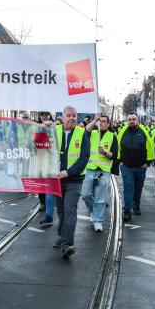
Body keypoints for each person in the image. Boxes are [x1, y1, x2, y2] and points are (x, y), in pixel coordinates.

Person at [54, 105, 90, 258]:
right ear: (62, 117)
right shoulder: (54, 131)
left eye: (74, 115)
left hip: (74, 180)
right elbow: (39, 145)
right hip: (56, 180)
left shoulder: (82, 133)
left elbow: (84, 158)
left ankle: (67, 244)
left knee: (69, 210)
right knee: (61, 211)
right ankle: (62, 236)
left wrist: (68, 172)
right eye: (68, 115)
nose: (72, 118)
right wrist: (45, 127)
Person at [81, 114, 118, 232]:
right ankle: (94, 211)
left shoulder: (112, 136)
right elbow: (86, 130)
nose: (102, 123)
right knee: (86, 194)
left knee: (101, 198)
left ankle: (98, 221)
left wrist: (105, 153)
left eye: (104, 121)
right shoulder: (92, 133)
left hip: (103, 171)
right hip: (90, 168)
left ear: (108, 124)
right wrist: (95, 120)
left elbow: (115, 155)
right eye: (100, 121)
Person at [118, 112, 155, 222]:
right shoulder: (122, 131)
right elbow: (117, 145)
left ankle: (136, 205)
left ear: (137, 120)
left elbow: (150, 146)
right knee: (128, 188)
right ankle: (127, 211)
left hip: (140, 167)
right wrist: (119, 160)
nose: (131, 121)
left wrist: (148, 163)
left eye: (134, 119)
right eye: (129, 119)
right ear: (127, 121)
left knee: (138, 188)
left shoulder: (143, 131)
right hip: (126, 166)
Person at [37, 111, 55, 226]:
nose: (44, 117)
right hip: (41, 160)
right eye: (42, 115)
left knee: (50, 190)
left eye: (46, 115)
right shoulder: (37, 127)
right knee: (41, 185)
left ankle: (49, 214)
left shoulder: (55, 125)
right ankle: (44, 206)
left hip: (53, 161)